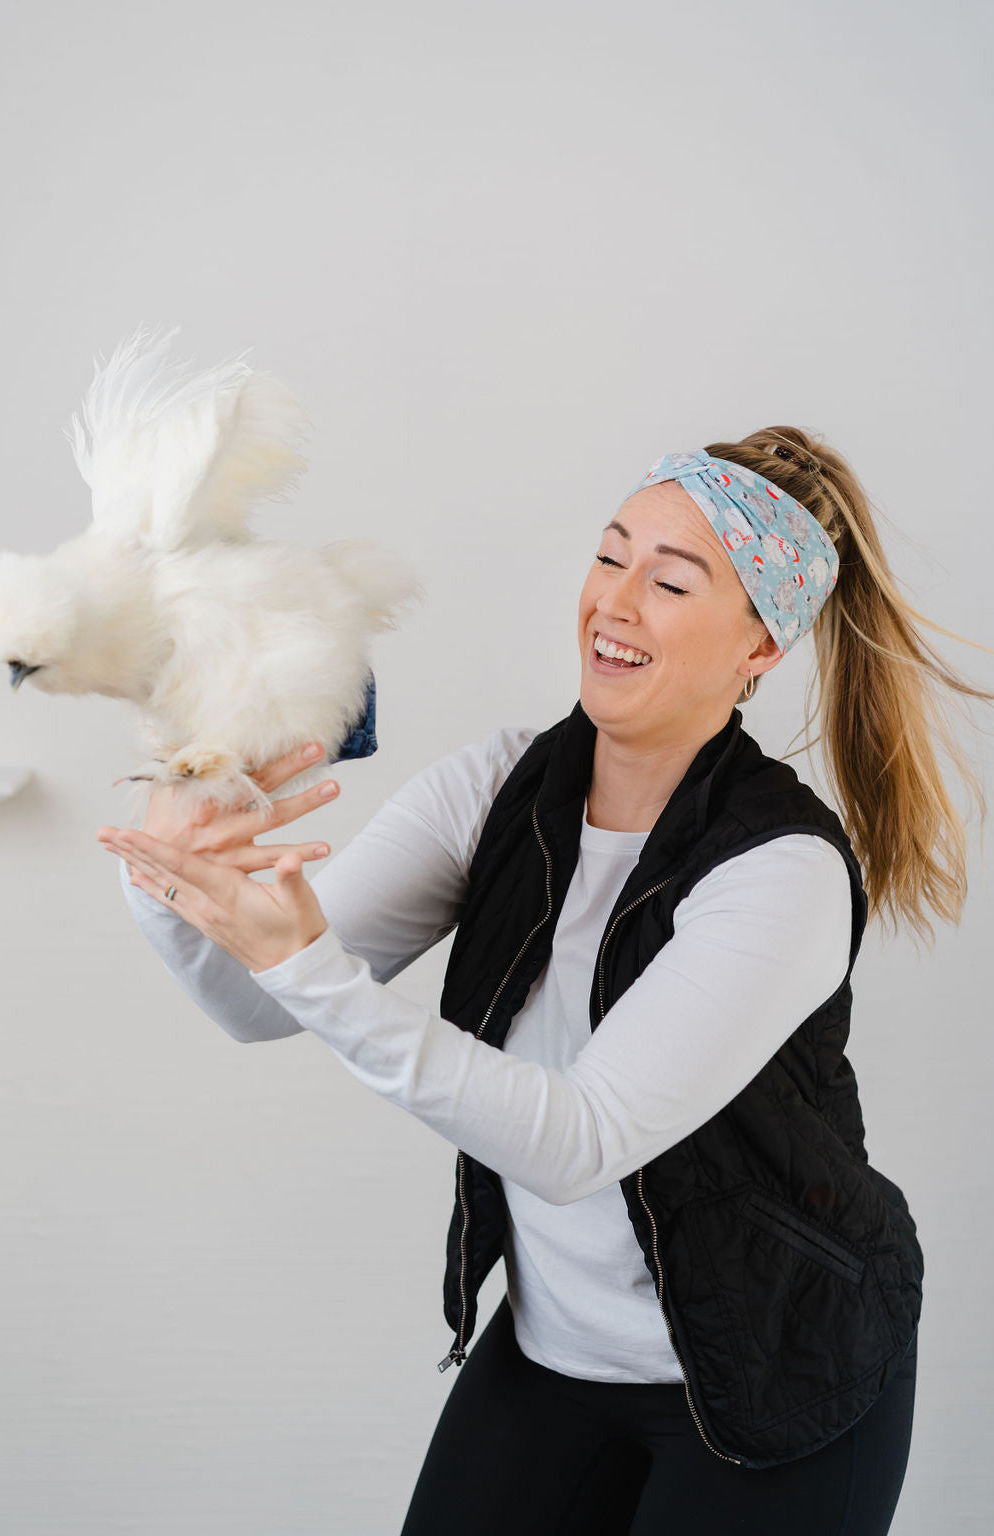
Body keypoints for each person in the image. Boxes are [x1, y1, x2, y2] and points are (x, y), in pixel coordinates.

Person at [96, 428, 993, 1534]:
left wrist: (307, 966)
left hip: (776, 1373)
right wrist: (165, 869)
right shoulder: (494, 792)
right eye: (611, 556)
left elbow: (578, 1140)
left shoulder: (781, 871)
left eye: (671, 582)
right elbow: (251, 1003)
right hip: (553, 1360)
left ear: (759, 643)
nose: (616, 600)